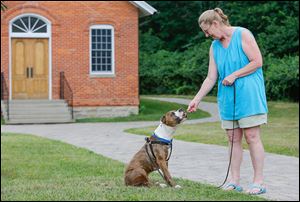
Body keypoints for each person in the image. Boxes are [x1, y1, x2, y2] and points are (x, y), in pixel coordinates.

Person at [187, 8, 268, 195]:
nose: (207, 35)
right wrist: (196, 99)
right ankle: (234, 181)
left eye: (207, 31)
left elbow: (257, 61)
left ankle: (258, 182)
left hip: (249, 93)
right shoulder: (214, 47)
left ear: (216, 23)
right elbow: (210, 77)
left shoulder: (243, 34)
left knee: (252, 137)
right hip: (227, 97)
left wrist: (234, 74)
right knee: (232, 139)